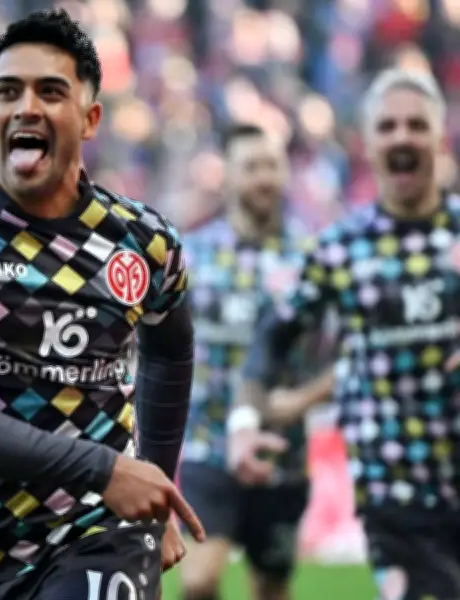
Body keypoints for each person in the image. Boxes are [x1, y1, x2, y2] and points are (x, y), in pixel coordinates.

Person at [0, 9, 205, 600]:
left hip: (98, 532)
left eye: (51, 92)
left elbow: (171, 353)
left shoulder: (144, 241)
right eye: (9, 92)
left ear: (90, 118)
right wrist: (108, 469)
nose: (27, 107)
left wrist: (151, 488)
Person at [231, 68, 460, 600]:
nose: (402, 137)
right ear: (367, 143)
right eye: (387, 126)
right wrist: (244, 422)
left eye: (416, 125)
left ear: (439, 137)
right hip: (393, 485)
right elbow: (273, 338)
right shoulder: (340, 248)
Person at [176, 124, 334, 600]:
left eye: (272, 166)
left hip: (282, 454)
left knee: (270, 588)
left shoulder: (311, 258)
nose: (264, 177)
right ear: (226, 176)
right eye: (251, 166)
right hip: (208, 445)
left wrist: (301, 400)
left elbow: (353, 352)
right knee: (198, 581)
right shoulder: (192, 254)